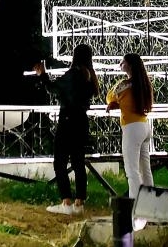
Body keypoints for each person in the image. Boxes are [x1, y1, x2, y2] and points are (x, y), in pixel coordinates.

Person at [33, 43, 100, 216]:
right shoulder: (89, 76)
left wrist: (43, 75)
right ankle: (79, 202)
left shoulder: (73, 74)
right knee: (78, 161)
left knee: (60, 161)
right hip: (81, 121)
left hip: (68, 120)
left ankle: (66, 201)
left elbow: (54, 89)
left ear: (75, 56)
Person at [106, 53, 155, 213]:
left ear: (130, 65)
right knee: (145, 170)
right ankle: (151, 207)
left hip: (132, 128)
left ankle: (137, 210)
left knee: (132, 171)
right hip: (144, 126)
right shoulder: (143, 83)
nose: (120, 64)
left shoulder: (124, 85)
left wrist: (114, 103)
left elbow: (110, 96)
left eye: (123, 62)